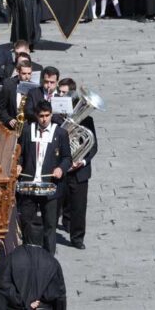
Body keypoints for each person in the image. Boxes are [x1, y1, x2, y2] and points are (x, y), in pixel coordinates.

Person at [16, 100, 71, 255]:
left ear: (51, 115)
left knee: (50, 225)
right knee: (26, 222)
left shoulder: (60, 133)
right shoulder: (27, 131)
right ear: (36, 116)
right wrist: (19, 164)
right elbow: (20, 153)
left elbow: (67, 158)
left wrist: (61, 168)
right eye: (41, 116)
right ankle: (27, 254)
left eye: (47, 116)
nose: (44, 119)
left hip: (50, 187)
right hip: (29, 186)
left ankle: (49, 257)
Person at [58, 90, 96, 250]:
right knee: (57, 203)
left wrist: (82, 161)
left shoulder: (88, 121)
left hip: (80, 171)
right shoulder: (58, 120)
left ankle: (77, 238)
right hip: (62, 169)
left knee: (79, 207)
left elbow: (92, 146)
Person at [0, 229, 67, 310]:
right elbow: (59, 294)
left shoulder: (12, 257)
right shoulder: (52, 261)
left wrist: (23, 303)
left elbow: (4, 285)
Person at [0, 59, 36, 129]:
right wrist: (8, 119)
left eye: (29, 74)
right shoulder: (8, 85)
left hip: (28, 126)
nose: (27, 77)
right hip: (12, 125)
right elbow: (1, 108)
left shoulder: (34, 88)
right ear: (18, 72)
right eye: (24, 73)